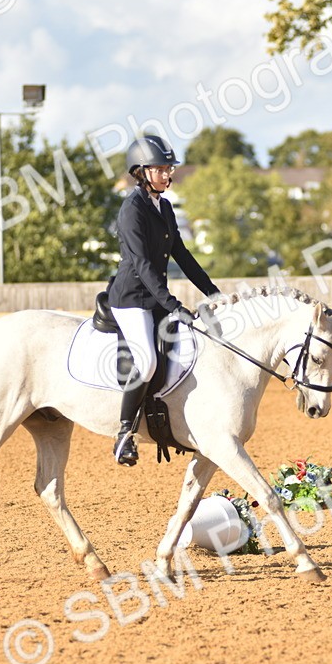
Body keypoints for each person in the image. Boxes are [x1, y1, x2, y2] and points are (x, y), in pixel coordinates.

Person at [107, 135, 220, 466]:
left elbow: (182, 256)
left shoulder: (165, 207)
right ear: (142, 171)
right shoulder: (132, 210)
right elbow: (142, 265)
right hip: (130, 298)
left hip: (154, 297)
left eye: (169, 169)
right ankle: (124, 434)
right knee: (148, 362)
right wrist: (173, 306)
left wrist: (213, 294)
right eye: (161, 169)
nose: (168, 175)